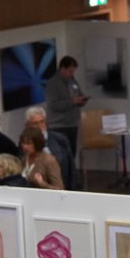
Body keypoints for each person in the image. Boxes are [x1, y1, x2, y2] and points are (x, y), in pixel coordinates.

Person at [41, 55, 87, 187]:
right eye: (70, 71)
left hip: (72, 123)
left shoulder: (73, 81)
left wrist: (81, 100)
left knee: (71, 154)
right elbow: (54, 105)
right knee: (60, 156)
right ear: (62, 69)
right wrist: (72, 102)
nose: (72, 74)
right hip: (58, 125)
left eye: (73, 71)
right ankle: (61, 182)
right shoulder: (52, 84)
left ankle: (72, 181)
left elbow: (79, 93)